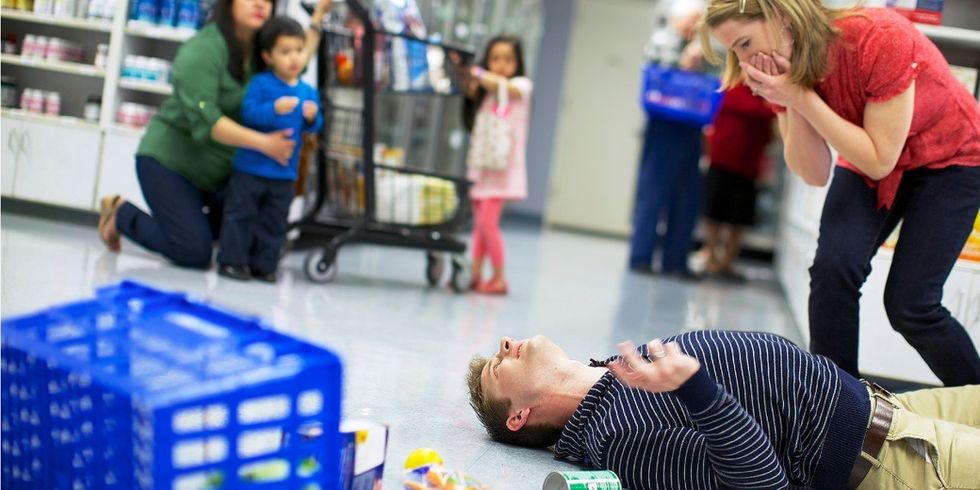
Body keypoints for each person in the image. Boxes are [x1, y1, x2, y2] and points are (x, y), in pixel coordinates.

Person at [701, 0, 980, 385]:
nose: (744, 59)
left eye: (745, 43)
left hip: (951, 158)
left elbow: (880, 159)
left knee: (910, 305)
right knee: (832, 271)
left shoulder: (878, 35)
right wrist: (791, 100)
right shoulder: (776, 71)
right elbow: (813, 172)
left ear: (781, 17)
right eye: (734, 50)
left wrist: (800, 97)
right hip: (870, 152)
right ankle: (839, 409)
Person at [466, 331, 980, 489]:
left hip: (895, 406)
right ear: (520, 417)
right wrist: (697, 389)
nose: (506, 342)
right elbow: (762, 485)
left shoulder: (620, 372)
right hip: (905, 460)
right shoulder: (615, 440)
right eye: (496, 365)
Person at [96, 0, 332, 269]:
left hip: (219, 172)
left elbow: (296, 61)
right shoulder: (202, 51)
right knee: (194, 252)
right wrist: (265, 144)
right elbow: (210, 122)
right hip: (171, 164)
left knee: (250, 224)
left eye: (267, 0)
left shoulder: (261, 50)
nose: (260, 4)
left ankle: (188, 224)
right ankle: (121, 214)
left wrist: (319, 16)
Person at [216, 16, 323, 283]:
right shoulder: (261, 85)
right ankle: (232, 261)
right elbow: (249, 114)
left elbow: (314, 127)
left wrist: (312, 118)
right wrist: (273, 109)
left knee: (274, 223)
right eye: (285, 52)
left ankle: (264, 265)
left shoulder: (307, 91)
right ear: (268, 56)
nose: (293, 58)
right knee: (241, 216)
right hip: (251, 169)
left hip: (284, 174)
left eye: (298, 51)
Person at [629, 0, 711, 280]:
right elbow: (660, 77)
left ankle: (676, 261)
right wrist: (686, 61)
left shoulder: (703, 46)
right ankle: (641, 257)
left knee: (687, 197)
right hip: (663, 127)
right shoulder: (663, 40)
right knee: (653, 193)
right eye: (692, 19)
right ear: (678, 18)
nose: (695, 25)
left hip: (691, 128)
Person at [462, 35, 533, 295]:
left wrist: (477, 71)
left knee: (487, 224)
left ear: (518, 62)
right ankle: (476, 274)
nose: (501, 64)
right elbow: (472, 92)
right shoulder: (486, 91)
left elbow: (506, 86)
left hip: (503, 171)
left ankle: (500, 277)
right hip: (482, 168)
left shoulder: (521, 85)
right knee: (480, 224)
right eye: (495, 59)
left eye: (508, 59)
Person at [699, 84, 775, 281]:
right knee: (714, 212)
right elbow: (760, 112)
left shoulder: (766, 94)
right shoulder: (732, 90)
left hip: (748, 166)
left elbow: (768, 127)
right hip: (722, 161)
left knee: (740, 217)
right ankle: (711, 256)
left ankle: (726, 262)